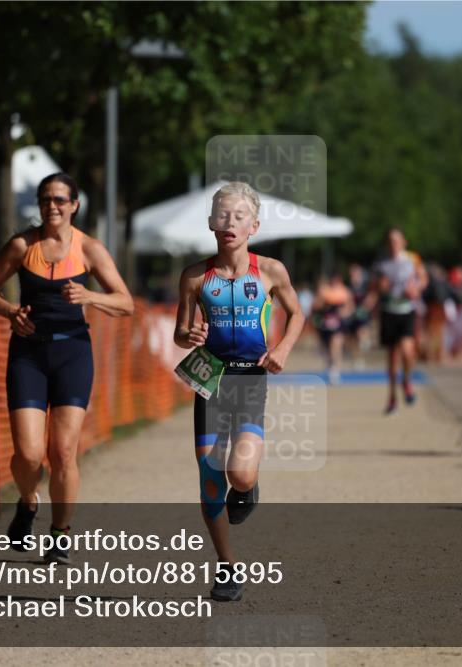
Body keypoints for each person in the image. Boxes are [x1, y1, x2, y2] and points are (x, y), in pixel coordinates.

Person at [0, 172, 134, 563]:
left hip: (72, 354)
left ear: (75, 205)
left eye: (60, 199)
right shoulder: (21, 246)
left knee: (63, 451)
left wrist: (90, 296)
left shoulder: (91, 250)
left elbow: (126, 303)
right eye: (46, 199)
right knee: (29, 455)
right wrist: (10, 311)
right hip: (28, 355)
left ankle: (60, 533)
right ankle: (28, 502)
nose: (52, 206)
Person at [174, 182, 304, 602]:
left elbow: (297, 313)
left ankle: (249, 488)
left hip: (250, 379)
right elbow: (180, 332)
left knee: (239, 473)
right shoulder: (195, 276)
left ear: (254, 225)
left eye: (239, 216)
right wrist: (189, 333)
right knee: (211, 480)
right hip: (209, 378)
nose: (230, 222)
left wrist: (282, 347)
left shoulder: (270, 271)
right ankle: (228, 568)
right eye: (222, 215)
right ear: (211, 223)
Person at [371, 228, 427, 413]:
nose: (394, 244)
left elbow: (424, 279)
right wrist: (381, 287)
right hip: (389, 311)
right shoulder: (382, 263)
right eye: (390, 241)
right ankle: (392, 396)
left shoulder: (413, 258)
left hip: (407, 310)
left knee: (407, 351)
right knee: (392, 358)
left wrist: (416, 288)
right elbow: (374, 287)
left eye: (397, 240)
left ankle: (407, 381)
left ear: (404, 242)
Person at [312, 272, 354, 384]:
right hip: (325, 324)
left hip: (338, 324)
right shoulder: (324, 291)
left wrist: (344, 313)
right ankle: (330, 366)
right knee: (327, 349)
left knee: (336, 346)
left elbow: (350, 307)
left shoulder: (345, 292)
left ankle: (335, 371)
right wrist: (323, 302)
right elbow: (315, 306)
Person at [346, 263, 373, 369]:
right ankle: (357, 359)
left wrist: (365, 308)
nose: (353, 275)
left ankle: (365, 341)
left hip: (363, 313)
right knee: (353, 339)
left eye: (355, 273)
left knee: (361, 332)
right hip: (353, 314)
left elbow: (371, 297)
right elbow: (349, 300)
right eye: (351, 274)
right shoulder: (350, 286)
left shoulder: (366, 285)